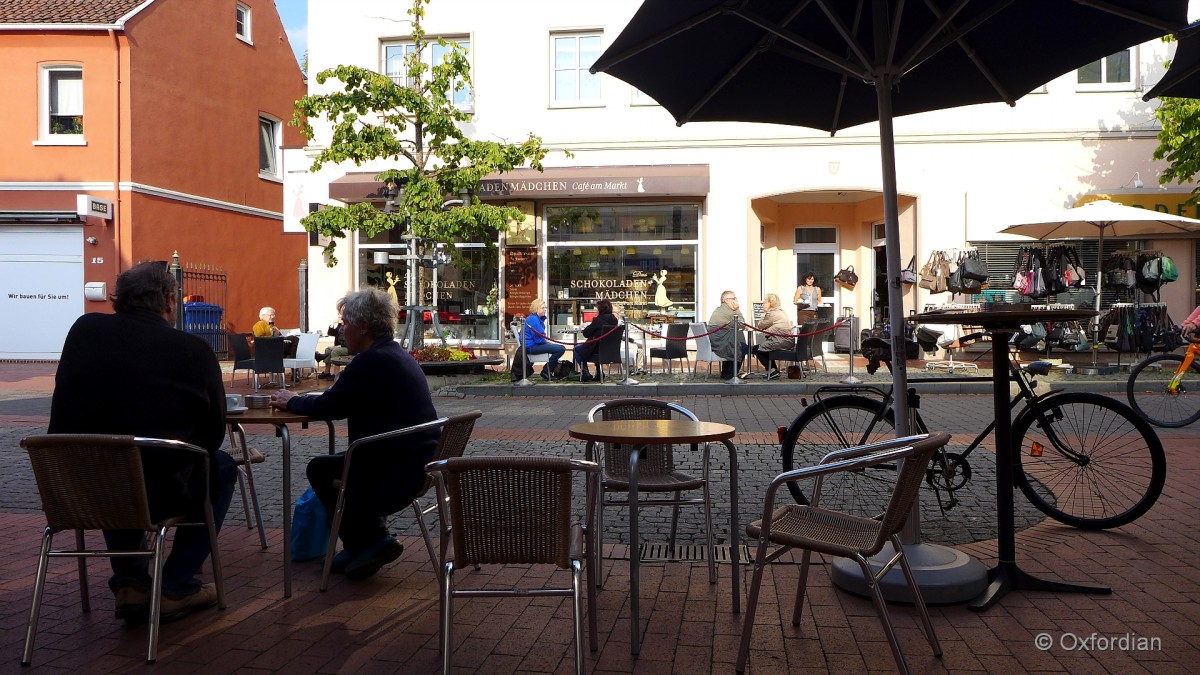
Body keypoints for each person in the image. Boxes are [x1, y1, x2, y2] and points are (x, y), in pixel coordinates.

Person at [47, 261, 237, 625]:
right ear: (169, 300)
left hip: (77, 488)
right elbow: (212, 435)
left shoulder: (84, 330)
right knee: (220, 466)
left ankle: (131, 583)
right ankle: (177, 585)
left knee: (116, 463)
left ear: (120, 299)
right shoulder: (193, 350)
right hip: (156, 491)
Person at [270, 289, 439, 581]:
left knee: (320, 469)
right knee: (339, 462)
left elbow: (330, 405)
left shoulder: (370, 361)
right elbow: (342, 399)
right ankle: (365, 543)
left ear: (363, 326)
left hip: (393, 474)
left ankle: (370, 541)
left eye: (344, 321)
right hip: (415, 463)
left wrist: (291, 400)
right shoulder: (393, 354)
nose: (340, 329)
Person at [573, 299, 619, 381]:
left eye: (597, 309)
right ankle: (599, 372)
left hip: (596, 350)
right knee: (595, 346)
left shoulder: (598, 321)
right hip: (610, 351)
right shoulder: (615, 321)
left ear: (601, 309)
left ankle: (585, 372)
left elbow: (586, 333)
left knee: (577, 349)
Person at [753, 293, 795, 379]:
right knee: (764, 348)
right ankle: (774, 370)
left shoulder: (771, 313)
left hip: (781, 341)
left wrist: (764, 313)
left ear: (770, 303)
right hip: (786, 340)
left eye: (765, 302)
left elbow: (761, 325)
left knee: (757, 349)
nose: (763, 304)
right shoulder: (780, 311)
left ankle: (772, 370)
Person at [708, 290, 748, 380]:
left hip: (716, 342)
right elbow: (741, 323)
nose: (736, 300)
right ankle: (731, 373)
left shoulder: (719, 309)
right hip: (721, 343)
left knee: (735, 345)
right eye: (734, 298)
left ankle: (726, 372)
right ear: (726, 300)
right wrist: (737, 309)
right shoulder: (729, 311)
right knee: (743, 347)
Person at [523, 298, 565, 380]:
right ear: (536, 309)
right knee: (560, 349)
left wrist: (547, 343)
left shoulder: (534, 318)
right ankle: (546, 371)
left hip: (531, 345)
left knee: (557, 348)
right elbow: (538, 339)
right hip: (532, 346)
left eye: (545, 308)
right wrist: (547, 343)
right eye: (542, 308)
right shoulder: (534, 320)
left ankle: (547, 370)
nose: (545, 310)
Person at [318, 311, 349, 380]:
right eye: (338, 315)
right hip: (341, 346)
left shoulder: (348, 325)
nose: (339, 317)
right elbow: (330, 333)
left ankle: (336, 374)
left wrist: (343, 324)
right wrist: (333, 323)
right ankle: (327, 372)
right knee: (328, 349)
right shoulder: (340, 326)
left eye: (340, 315)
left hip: (348, 346)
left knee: (335, 351)